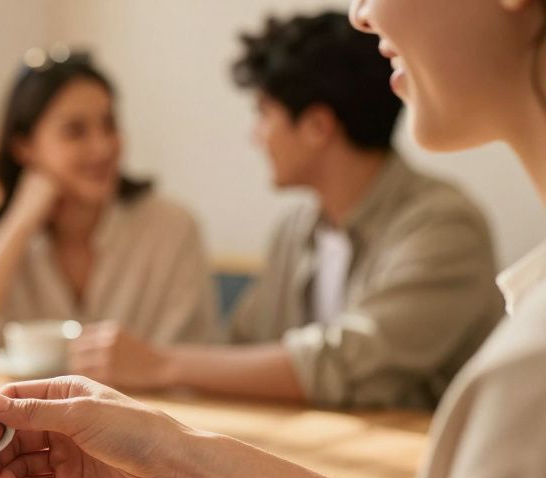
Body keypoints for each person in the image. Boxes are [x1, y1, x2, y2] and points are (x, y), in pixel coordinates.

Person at [0, 0, 546, 478]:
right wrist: (173, 461)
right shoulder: (301, 235)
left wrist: (165, 401)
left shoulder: (521, 379)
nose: (363, 14)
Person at [70, 12, 505, 410]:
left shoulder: (444, 225)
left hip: (419, 476)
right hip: (323, 462)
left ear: (317, 126)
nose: (256, 136)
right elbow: (238, 349)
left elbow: (343, 362)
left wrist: (160, 364)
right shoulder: (295, 232)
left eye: (263, 114)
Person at [0, 48, 216, 367]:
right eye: (75, 131)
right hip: (22, 414)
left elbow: (193, 357)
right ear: (24, 147)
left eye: (109, 124)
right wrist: (21, 222)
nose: (102, 147)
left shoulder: (172, 229)